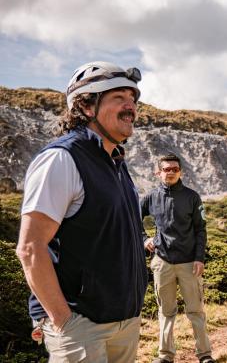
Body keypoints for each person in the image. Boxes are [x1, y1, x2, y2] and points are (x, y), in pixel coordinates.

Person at [15, 61, 147, 362]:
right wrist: (63, 319)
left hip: (124, 321)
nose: (131, 107)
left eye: (133, 99)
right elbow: (30, 247)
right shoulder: (62, 159)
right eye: (119, 98)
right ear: (86, 106)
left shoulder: (116, 163)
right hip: (81, 326)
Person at [141, 153, 214, 363]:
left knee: (196, 311)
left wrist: (199, 258)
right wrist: (143, 238)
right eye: (166, 169)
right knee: (166, 311)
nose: (171, 172)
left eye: (174, 169)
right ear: (158, 172)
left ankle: (205, 354)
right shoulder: (151, 197)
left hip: (190, 263)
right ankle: (165, 356)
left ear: (180, 172)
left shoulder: (192, 197)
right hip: (162, 262)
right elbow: (132, 218)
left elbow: (201, 230)